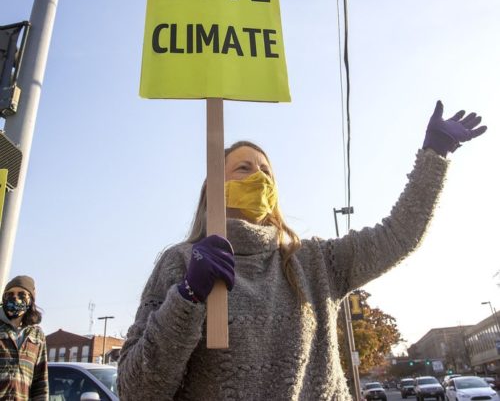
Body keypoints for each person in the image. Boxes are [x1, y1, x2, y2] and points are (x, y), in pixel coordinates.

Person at [117, 101, 486, 401]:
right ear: (214, 185)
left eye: (266, 172)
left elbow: (397, 236)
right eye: (244, 168)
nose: (259, 177)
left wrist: (434, 156)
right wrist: (187, 297)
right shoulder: (179, 263)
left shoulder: (313, 263)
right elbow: (137, 390)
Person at [0, 275, 48, 400]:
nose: (15, 298)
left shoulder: (37, 335)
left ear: (30, 299)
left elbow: (40, 383)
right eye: (10, 294)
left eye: (21, 294)